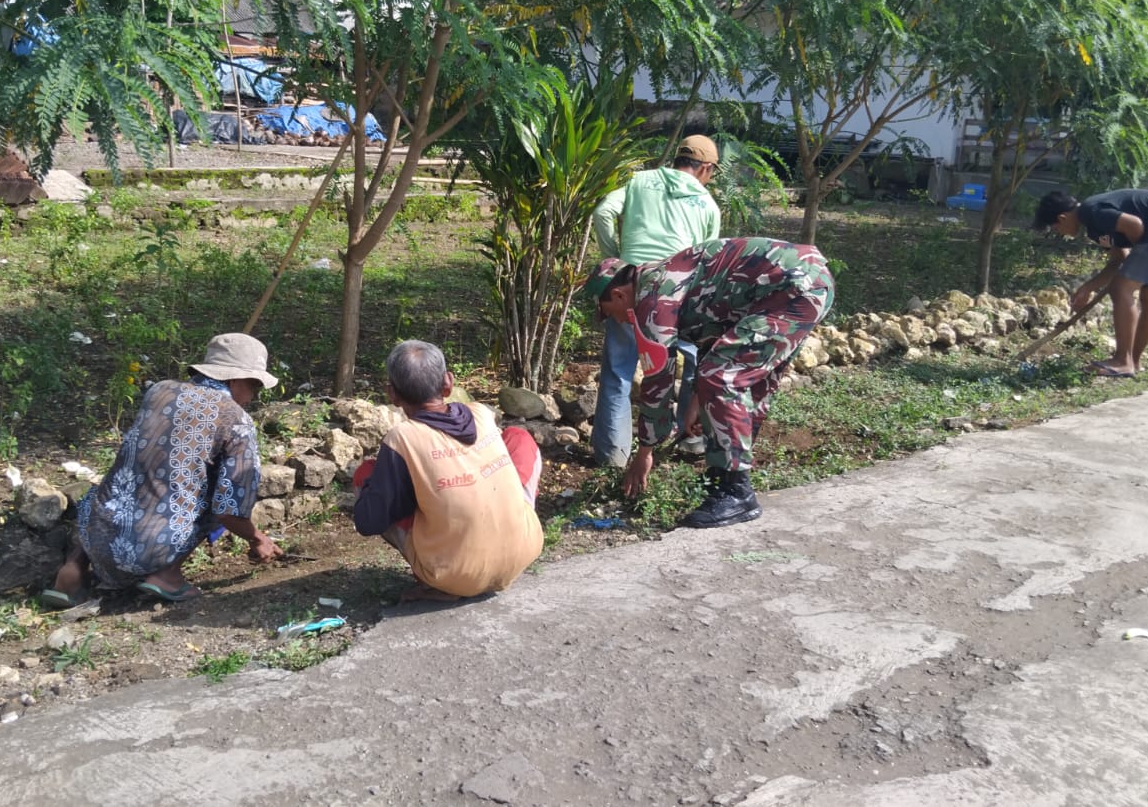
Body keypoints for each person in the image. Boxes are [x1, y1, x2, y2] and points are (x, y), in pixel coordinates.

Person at [583, 238, 835, 529]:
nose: (616, 320)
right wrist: (697, 401)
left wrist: (645, 452)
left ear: (618, 295)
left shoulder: (652, 301)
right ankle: (723, 476)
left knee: (722, 377)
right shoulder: (662, 276)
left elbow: (658, 380)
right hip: (805, 280)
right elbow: (715, 338)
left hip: (793, 287)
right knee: (746, 380)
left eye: (608, 313)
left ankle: (735, 492)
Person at [41, 333, 283, 607]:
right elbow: (229, 510)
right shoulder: (236, 420)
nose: (252, 397)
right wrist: (257, 539)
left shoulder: (159, 390)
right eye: (254, 386)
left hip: (95, 533)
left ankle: (71, 571)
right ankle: (167, 576)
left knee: (115, 484)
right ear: (234, 380)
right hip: (149, 549)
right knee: (221, 494)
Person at [352, 340, 544, 602]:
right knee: (519, 438)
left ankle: (438, 582)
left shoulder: (403, 438)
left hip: (453, 576)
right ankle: (510, 532)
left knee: (366, 474)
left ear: (392, 394)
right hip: (524, 551)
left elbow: (368, 521)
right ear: (448, 383)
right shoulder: (481, 413)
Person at [588, 134, 723, 466]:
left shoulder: (639, 181)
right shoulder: (707, 204)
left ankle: (613, 454)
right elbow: (709, 259)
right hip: (678, 297)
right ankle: (691, 440)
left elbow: (603, 212)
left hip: (630, 290)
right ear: (705, 168)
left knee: (619, 370)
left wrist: (618, 264)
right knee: (690, 362)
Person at [1032, 189, 1148, 378]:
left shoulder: (1090, 211)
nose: (1060, 233)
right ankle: (1133, 361)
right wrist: (1088, 288)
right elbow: (1118, 260)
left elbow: (1134, 225)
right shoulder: (1095, 230)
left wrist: (1139, 254)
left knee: (1120, 289)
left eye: (1056, 229)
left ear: (1062, 218)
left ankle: (1122, 361)